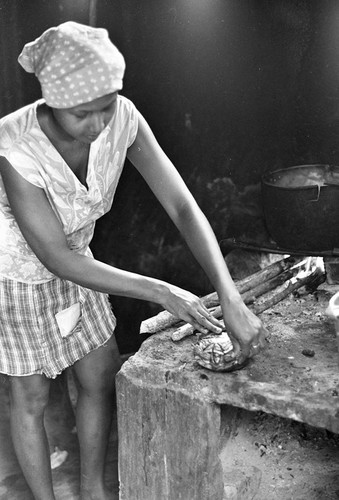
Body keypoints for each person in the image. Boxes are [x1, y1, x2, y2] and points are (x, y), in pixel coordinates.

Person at [0, 21, 266, 500]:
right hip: (17, 273)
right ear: (50, 100)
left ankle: (93, 488)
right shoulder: (14, 143)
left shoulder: (122, 116)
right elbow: (54, 257)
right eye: (83, 113)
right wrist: (162, 290)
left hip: (81, 259)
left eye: (106, 106)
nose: (99, 123)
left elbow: (182, 206)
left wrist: (229, 296)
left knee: (98, 374)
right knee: (31, 396)